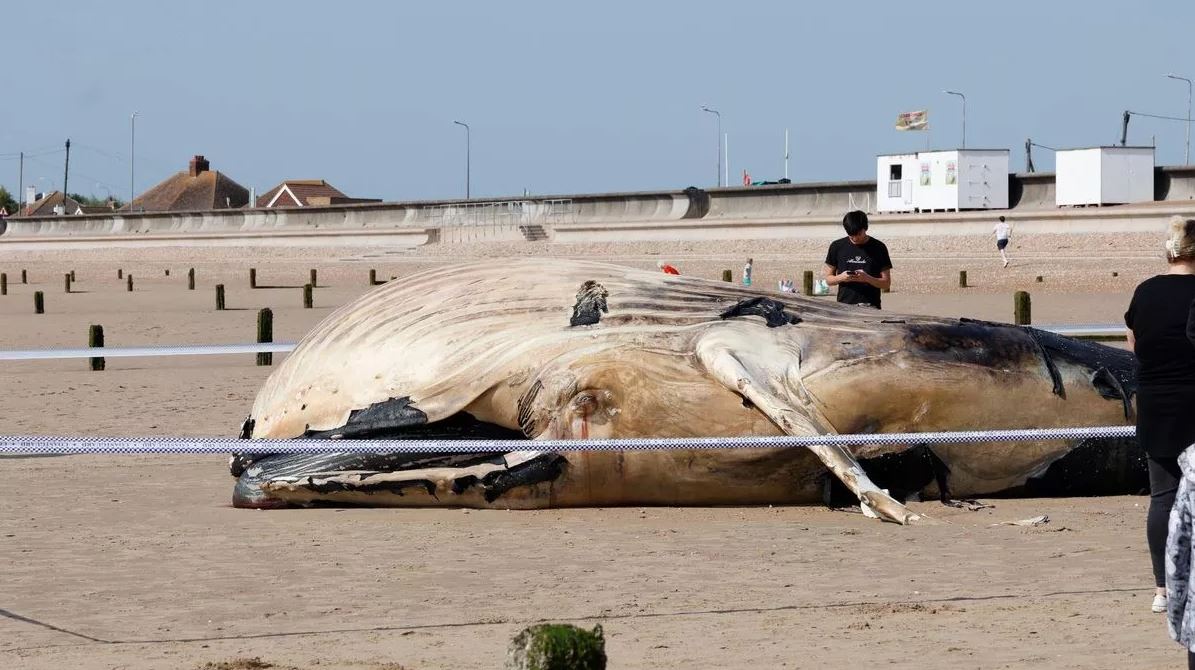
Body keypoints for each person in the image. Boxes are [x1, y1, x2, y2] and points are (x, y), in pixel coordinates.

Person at [1125, 216, 1195, 615]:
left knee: (1163, 498)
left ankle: (1163, 588)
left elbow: (1133, 342)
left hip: (1155, 402)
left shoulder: (1145, 291)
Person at [823, 210, 892, 309]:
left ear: (866, 228)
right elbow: (828, 280)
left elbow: (886, 284)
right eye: (851, 235)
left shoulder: (879, 247)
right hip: (843, 306)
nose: (855, 238)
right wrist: (841, 277)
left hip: (871, 306)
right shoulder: (836, 246)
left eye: (859, 234)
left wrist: (867, 278)